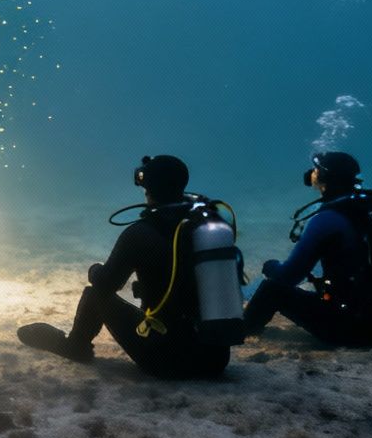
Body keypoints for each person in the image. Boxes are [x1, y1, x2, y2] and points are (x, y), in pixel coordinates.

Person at [15, 155, 233, 379]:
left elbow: (107, 284)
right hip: (216, 360)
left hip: (167, 361)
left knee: (95, 294)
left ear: (147, 185)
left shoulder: (140, 233)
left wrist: (94, 270)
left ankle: (75, 346)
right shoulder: (211, 226)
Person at [242, 150, 372, 347]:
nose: (312, 172)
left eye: (316, 169)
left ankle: (241, 331)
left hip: (353, 329)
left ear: (324, 176)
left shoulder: (327, 219)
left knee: (271, 290)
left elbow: (289, 276)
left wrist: (270, 267)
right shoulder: (365, 208)